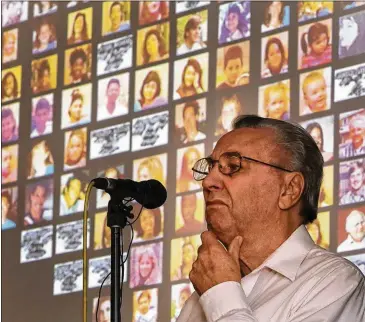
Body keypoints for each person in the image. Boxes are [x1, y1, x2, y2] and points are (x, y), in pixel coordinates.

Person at [177, 115, 365, 322]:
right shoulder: (199, 298)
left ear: (289, 190)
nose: (208, 182)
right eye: (210, 168)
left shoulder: (335, 283)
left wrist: (222, 294)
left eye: (232, 166)